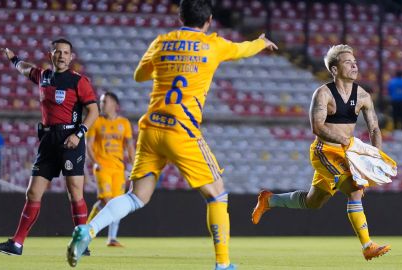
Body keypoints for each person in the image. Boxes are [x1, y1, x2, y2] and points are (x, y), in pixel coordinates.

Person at [66, 0, 277, 269]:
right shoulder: (213, 44)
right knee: (218, 195)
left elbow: (139, 75)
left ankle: (89, 231)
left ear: (180, 19)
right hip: (181, 130)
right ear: (209, 20)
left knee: (136, 196)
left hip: (151, 128)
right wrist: (260, 42)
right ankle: (223, 265)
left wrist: (168, 63)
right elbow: (242, 49)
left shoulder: (162, 41)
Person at [251, 45, 391, 261]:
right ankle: (367, 246)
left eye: (354, 61)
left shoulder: (363, 95)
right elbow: (317, 127)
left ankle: (270, 201)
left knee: (313, 202)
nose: (354, 65)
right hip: (323, 151)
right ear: (334, 70)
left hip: (345, 153)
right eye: (347, 62)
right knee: (355, 189)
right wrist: (345, 140)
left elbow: (374, 129)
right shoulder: (324, 94)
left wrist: (376, 155)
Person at [0, 38, 99, 256]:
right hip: (48, 141)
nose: (62, 56)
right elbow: (25, 69)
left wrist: (79, 134)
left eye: (66, 52)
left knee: (75, 192)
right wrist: (14, 59)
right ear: (51, 55)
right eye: (58, 52)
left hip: (71, 140)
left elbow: (94, 111)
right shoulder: (43, 76)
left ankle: (82, 242)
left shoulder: (79, 81)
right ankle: (17, 243)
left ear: (71, 56)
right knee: (32, 192)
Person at [86, 92, 135, 247]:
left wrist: (134, 166)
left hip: (118, 168)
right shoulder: (96, 122)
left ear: (114, 103)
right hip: (102, 167)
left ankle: (111, 238)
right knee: (106, 200)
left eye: (104, 101)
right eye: (101, 102)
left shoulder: (124, 123)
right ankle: (87, 232)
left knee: (116, 204)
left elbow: (129, 146)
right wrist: (95, 162)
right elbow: (89, 145)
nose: (101, 105)